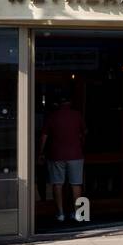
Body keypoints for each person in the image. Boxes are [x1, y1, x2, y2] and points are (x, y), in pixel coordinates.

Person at [39, 95, 86, 225]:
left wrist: (41, 152)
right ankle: (78, 213)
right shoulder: (77, 115)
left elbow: (44, 137)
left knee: (57, 184)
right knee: (76, 184)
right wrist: (80, 145)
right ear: (70, 102)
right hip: (76, 154)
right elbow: (84, 133)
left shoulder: (52, 116)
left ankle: (60, 214)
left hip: (56, 155)